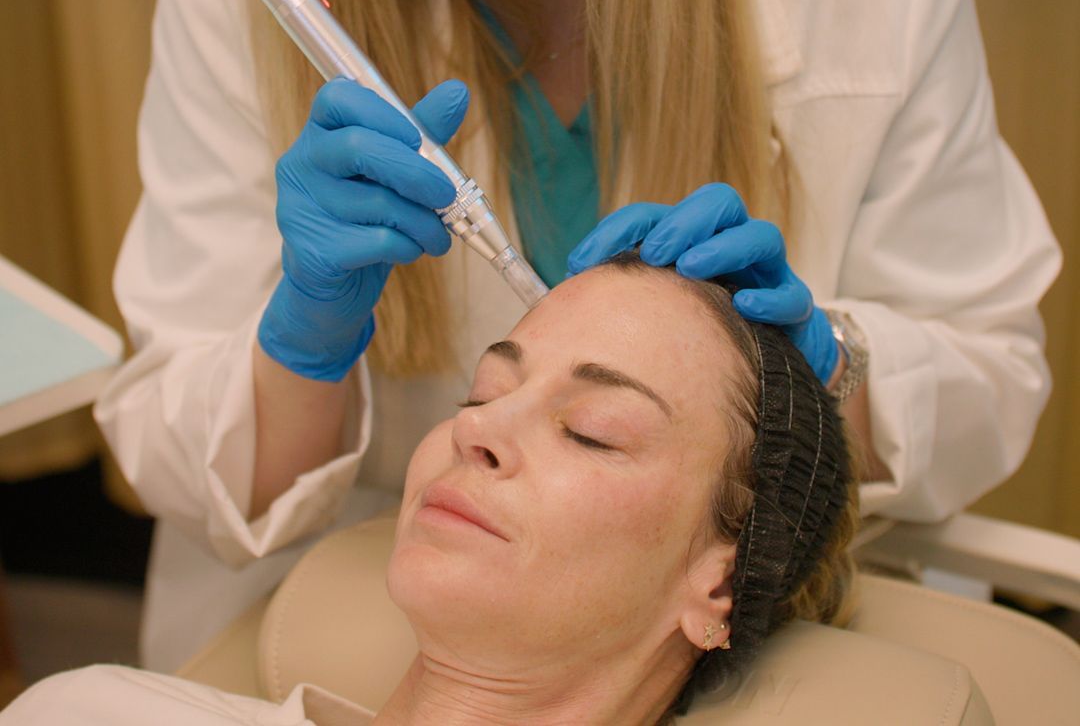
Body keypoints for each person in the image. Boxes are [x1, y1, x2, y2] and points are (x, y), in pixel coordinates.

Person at [95, 0, 1060, 672]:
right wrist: (304, 341)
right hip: (373, 618)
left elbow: (990, 382)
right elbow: (184, 464)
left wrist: (828, 371)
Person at [10, 259, 855, 724]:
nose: (475, 430)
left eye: (592, 429)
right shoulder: (90, 711)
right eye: (483, 393)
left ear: (718, 580)